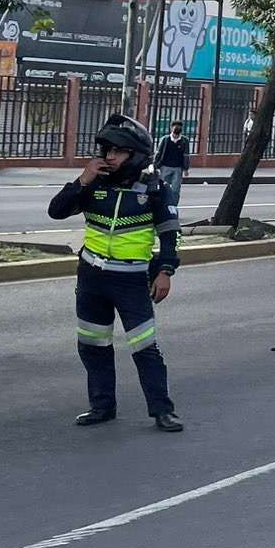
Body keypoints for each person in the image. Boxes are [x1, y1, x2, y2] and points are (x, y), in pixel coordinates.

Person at [48, 114, 183, 432]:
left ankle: (162, 410)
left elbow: (169, 236)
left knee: (144, 347)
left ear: (135, 155)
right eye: (105, 149)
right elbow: (56, 211)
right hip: (91, 278)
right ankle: (102, 406)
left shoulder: (154, 190)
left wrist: (164, 272)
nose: (108, 156)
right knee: (93, 345)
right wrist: (82, 180)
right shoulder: (93, 185)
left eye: (116, 151)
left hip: (131, 281)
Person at [153, 121, 189, 211]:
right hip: (165, 167)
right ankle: (162, 206)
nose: (176, 131)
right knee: (163, 188)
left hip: (177, 168)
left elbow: (186, 155)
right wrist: (154, 165)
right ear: (171, 128)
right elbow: (158, 153)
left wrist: (186, 169)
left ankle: (173, 207)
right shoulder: (165, 139)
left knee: (175, 190)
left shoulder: (184, 141)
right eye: (175, 127)